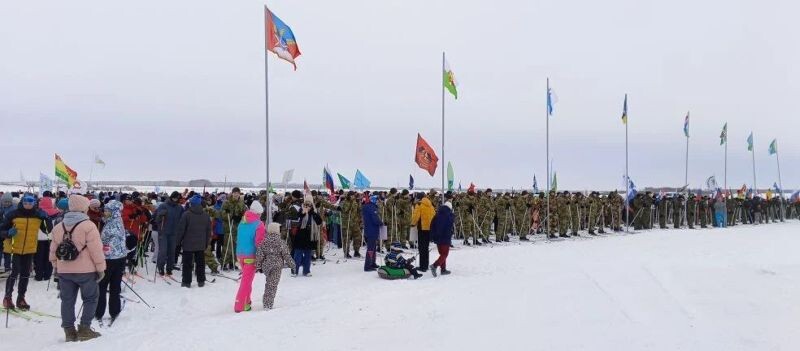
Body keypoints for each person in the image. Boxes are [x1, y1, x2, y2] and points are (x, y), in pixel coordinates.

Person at [49, 194, 106, 342]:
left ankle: (69, 331)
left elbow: (53, 250)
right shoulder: (89, 226)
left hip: (64, 271)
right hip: (86, 271)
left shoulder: (58, 227)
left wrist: (55, 267)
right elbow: (96, 250)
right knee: (90, 299)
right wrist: (100, 268)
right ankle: (85, 329)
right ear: (83, 208)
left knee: (67, 301)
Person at [1, 194, 52, 310]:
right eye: (25, 202)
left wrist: (47, 218)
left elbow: (48, 230)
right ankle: (7, 297)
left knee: (25, 274)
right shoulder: (13, 214)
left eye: (30, 202)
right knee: (14, 273)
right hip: (14, 248)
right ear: (22, 202)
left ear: (34, 203)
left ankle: (21, 298)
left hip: (29, 249)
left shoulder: (38, 215)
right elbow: (2, 230)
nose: (28, 205)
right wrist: (8, 233)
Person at [95, 200, 127, 324]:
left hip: (110, 259)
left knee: (103, 286)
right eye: (105, 209)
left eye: (107, 210)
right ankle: (114, 310)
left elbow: (110, 243)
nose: (105, 212)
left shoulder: (113, 224)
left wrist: (100, 248)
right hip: (119, 258)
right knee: (114, 286)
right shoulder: (115, 220)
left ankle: (99, 312)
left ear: (114, 211)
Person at [233, 200, 266, 313]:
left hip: (240, 254)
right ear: (258, 213)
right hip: (250, 256)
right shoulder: (259, 224)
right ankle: (240, 305)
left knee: (247, 279)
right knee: (246, 282)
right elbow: (259, 243)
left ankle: (247, 301)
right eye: (260, 214)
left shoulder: (242, 221)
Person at [255, 222, 296, 310]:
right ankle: (268, 304)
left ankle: (266, 301)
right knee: (273, 285)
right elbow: (286, 255)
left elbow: (259, 254)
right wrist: (292, 264)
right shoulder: (281, 242)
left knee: (268, 283)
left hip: (266, 266)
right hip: (277, 266)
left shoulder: (264, 241)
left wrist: (258, 266)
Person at [176, 195, 212, 288]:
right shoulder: (206, 215)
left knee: (187, 264)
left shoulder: (186, 215)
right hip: (201, 244)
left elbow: (181, 230)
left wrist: (178, 242)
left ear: (191, 204)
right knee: (200, 263)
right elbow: (208, 231)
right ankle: (201, 281)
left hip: (188, 244)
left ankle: (186, 282)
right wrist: (206, 243)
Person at [154, 191, 184, 277]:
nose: (175, 199)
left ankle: (169, 268)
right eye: (174, 197)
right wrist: (161, 215)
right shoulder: (163, 205)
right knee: (163, 251)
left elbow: (182, 219)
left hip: (174, 232)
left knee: (172, 251)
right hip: (163, 232)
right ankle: (160, 267)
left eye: (177, 198)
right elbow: (156, 219)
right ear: (171, 197)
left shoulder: (179, 207)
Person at [290, 196, 322, 276]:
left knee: (308, 253)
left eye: (309, 205)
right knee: (298, 253)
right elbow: (297, 217)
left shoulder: (314, 212)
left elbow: (319, 221)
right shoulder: (301, 210)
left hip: (310, 234)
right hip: (301, 234)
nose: (307, 206)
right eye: (306, 204)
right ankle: (295, 270)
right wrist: (303, 212)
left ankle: (306, 270)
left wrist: (313, 213)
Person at [430, 198, 455, 277]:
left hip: (438, 237)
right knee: (444, 254)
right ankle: (434, 266)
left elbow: (432, 224)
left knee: (442, 254)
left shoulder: (437, 214)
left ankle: (443, 269)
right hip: (445, 237)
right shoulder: (448, 215)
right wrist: (452, 215)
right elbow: (449, 224)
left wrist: (433, 235)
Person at [410, 194, 434, 272]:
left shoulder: (419, 205)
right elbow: (434, 215)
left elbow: (416, 216)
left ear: (419, 199)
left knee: (421, 247)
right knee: (426, 247)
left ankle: (422, 266)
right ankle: (426, 265)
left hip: (422, 228)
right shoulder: (430, 204)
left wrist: (413, 223)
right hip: (429, 228)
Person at [362, 195, 383, 272]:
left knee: (373, 248)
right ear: (374, 200)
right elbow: (375, 219)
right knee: (371, 249)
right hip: (372, 230)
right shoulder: (372, 208)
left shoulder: (367, 206)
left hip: (369, 229)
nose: (378, 202)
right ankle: (368, 266)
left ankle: (372, 262)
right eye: (377, 200)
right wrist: (381, 223)